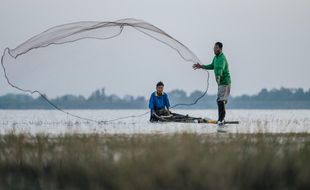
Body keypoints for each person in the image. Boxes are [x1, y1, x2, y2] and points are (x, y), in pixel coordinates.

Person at [192, 42, 231, 127]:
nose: (214, 49)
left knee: (220, 101)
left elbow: (221, 68)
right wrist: (201, 66)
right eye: (214, 48)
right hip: (221, 84)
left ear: (220, 49)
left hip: (225, 83)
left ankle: (221, 120)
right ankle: (221, 119)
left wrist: (218, 77)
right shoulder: (215, 58)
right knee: (220, 100)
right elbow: (212, 66)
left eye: (216, 48)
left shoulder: (221, 58)